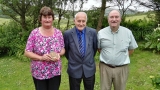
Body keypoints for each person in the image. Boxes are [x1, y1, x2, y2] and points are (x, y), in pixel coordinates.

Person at [24, 6, 65, 90]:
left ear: (53, 18)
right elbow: (27, 52)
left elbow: (63, 49)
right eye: (45, 17)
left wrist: (58, 54)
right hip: (39, 72)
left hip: (55, 71)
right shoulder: (34, 33)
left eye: (49, 17)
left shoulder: (58, 33)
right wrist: (41, 57)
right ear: (40, 19)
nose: (47, 20)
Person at [97, 9, 138, 90]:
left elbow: (131, 49)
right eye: (111, 17)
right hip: (105, 68)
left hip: (122, 69)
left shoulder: (128, 32)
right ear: (108, 19)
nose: (114, 19)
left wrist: (121, 58)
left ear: (120, 19)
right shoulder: (101, 33)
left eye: (116, 17)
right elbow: (99, 48)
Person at [63, 12, 97, 90]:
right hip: (74, 69)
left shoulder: (93, 32)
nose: (81, 23)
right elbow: (67, 51)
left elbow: (94, 48)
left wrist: (87, 59)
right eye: (79, 21)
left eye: (83, 21)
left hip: (89, 69)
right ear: (74, 21)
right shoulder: (67, 34)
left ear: (86, 21)